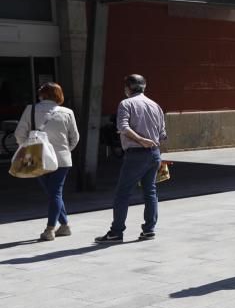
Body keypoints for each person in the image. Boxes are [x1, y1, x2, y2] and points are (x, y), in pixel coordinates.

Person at [95, 75, 167, 243]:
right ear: (144, 86)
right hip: (154, 153)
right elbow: (163, 134)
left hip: (136, 153)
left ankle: (116, 232)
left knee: (123, 193)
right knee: (150, 191)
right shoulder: (155, 105)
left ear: (127, 88)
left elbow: (123, 127)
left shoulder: (125, 104)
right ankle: (149, 230)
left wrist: (141, 140)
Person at [14, 82, 79, 241]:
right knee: (54, 193)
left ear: (41, 94)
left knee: (53, 193)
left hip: (37, 157)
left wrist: (27, 147)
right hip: (62, 159)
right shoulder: (67, 112)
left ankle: (50, 229)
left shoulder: (31, 109)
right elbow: (75, 137)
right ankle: (64, 226)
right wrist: (65, 150)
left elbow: (19, 134)